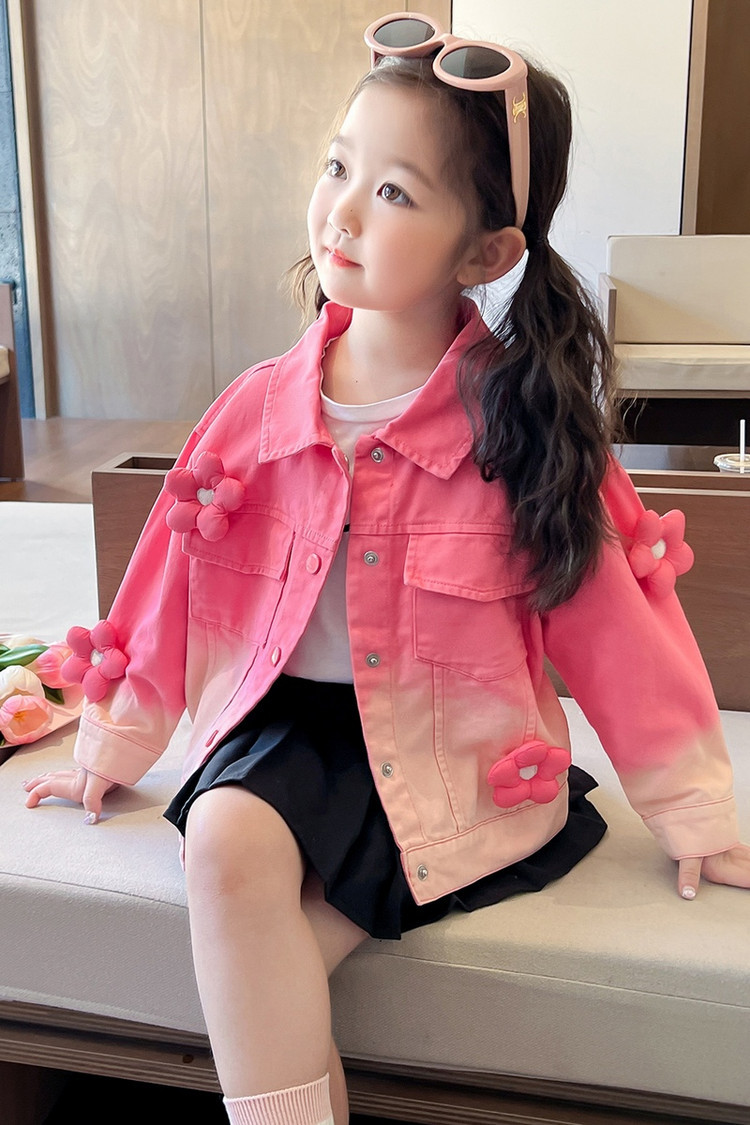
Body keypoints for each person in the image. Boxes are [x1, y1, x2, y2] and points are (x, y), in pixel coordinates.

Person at [23, 13, 750, 1125]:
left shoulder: (526, 431)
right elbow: (170, 584)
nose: (344, 211)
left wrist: (697, 814)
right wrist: (114, 745)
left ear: (486, 253)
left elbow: (620, 635)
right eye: (337, 167)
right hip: (287, 725)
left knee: (279, 935)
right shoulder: (254, 412)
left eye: (397, 192)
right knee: (223, 842)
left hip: (452, 745)